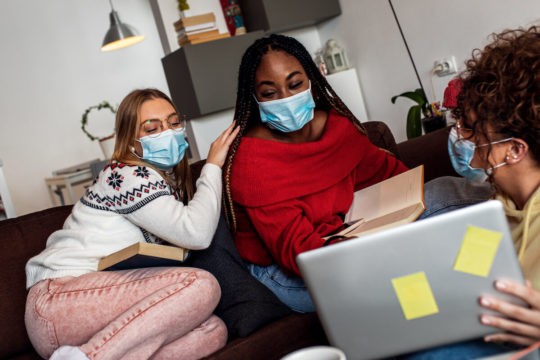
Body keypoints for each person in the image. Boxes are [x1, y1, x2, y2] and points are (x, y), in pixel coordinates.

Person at [25, 88, 239, 360]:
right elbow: (196, 233)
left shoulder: (162, 182)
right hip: (58, 301)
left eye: (173, 123)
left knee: (212, 331)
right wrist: (212, 166)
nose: (167, 133)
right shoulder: (125, 175)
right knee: (201, 285)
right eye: (152, 128)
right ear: (130, 141)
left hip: (100, 302)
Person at [222, 34, 408, 313]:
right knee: (387, 280)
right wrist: (367, 251)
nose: (286, 98)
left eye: (295, 84)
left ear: (312, 79)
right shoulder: (251, 162)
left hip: (342, 240)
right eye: (270, 93)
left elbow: (395, 178)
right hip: (283, 270)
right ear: (254, 97)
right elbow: (298, 253)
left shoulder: (337, 129)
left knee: (446, 193)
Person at [402, 25, 540, 358]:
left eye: (477, 138)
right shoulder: (500, 204)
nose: (472, 152)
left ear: (514, 150)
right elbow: (468, 275)